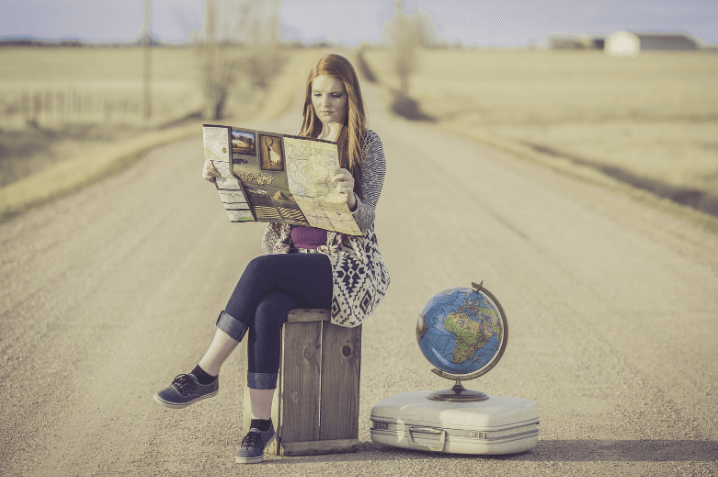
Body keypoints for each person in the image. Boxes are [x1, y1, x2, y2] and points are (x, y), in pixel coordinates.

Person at [154, 54, 390, 464]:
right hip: (294, 258)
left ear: (350, 96)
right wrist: (222, 176)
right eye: (318, 94)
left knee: (259, 268)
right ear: (309, 97)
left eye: (335, 94)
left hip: (344, 269)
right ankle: (260, 427)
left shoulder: (367, 145)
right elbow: (265, 196)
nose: (326, 103)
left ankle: (205, 372)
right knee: (265, 309)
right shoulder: (298, 143)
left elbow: (368, 217)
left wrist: (352, 197)